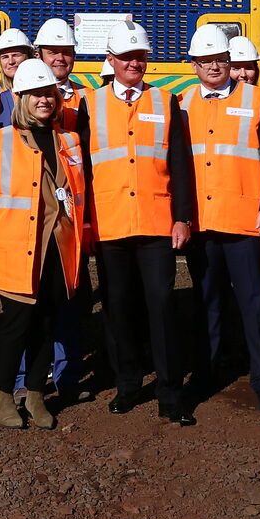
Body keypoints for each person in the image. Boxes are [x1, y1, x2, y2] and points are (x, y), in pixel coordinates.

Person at [80, 21, 197, 425]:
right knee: (118, 307)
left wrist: (182, 217)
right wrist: (86, 225)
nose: (135, 63)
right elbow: (82, 172)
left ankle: (169, 391)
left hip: (156, 222)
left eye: (141, 56)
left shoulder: (166, 102)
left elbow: (181, 166)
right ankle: (128, 384)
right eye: (127, 57)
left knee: (162, 306)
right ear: (109, 60)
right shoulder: (88, 105)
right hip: (109, 224)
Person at [180, 24, 260, 413]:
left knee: (255, 302)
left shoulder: (259, 99)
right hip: (202, 223)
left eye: (220, 60)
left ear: (230, 61)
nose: (213, 66)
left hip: (246, 222)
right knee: (206, 302)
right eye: (205, 60)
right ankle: (206, 374)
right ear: (193, 65)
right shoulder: (183, 103)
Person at [0, 60, 85, 429]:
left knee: (46, 322)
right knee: (15, 324)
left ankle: (37, 394)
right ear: (20, 97)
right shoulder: (1, 140)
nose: (44, 100)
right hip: (16, 248)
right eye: (36, 94)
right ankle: (4, 394)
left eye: (49, 93)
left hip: (57, 246)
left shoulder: (68, 140)